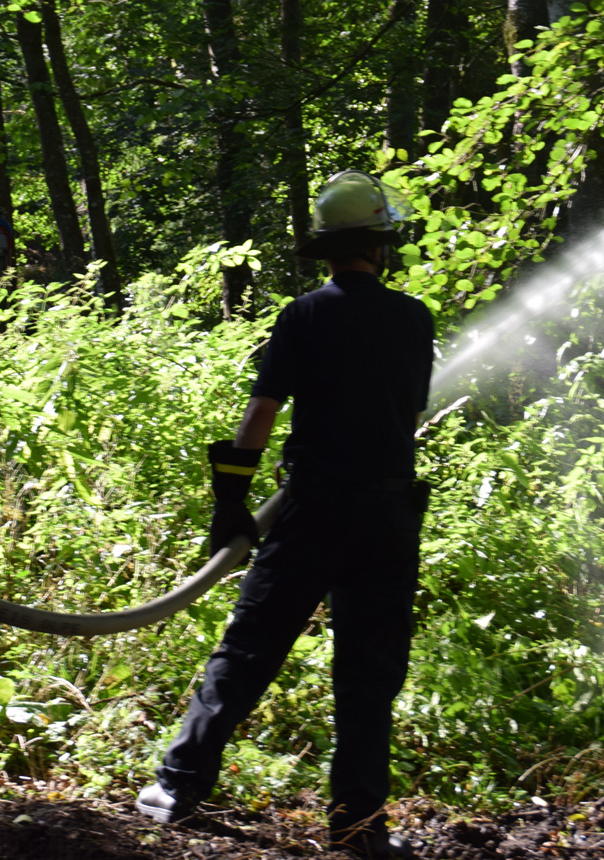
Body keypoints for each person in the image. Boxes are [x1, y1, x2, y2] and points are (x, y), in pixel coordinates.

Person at [135, 171, 435, 858]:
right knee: (369, 675)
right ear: (380, 245)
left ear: (325, 249)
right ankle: (359, 827)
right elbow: (410, 416)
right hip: (389, 514)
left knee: (247, 650)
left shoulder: (303, 315)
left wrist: (232, 497)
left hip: (312, 508)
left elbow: (261, 412)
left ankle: (179, 787)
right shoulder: (415, 318)